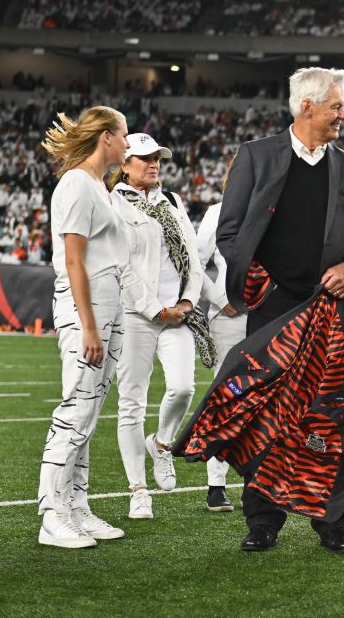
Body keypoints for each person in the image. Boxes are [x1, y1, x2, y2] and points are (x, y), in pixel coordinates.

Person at [216, 67, 344, 554]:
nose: (343, 115)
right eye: (336, 106)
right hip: (274, 312)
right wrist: (265, 288)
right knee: (268, 412)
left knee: (339, 415)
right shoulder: (255, 156)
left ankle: (334, 521)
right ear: (307, 107)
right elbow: (230, 233)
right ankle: (262, 520)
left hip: (333, 313)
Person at [35, 106, 132, 548]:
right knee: (76, 406)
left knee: (89, 410)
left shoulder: (101, 187)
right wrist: (89, 327)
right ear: (106, 137)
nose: (128, 145)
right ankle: (51, 514)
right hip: (86, 308)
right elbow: (73, 259)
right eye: (124, 136)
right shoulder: (76, 183)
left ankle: (77, 506)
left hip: (108, 307)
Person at [109, 133, 207, 520]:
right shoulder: (113, 202)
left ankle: (162, 444)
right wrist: (155, 308)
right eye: (145, 158)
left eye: (158, 159)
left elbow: (193, 257)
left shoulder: (172, 201)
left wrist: (187, 301)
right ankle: (137, 490)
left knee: (183, 387)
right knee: (131, 404)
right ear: (125, 164)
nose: (154, 164)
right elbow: (122, 265)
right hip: (135, 316)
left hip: (177, 314)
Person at [194, 158, 245, 513]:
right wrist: (221, 300)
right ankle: (216, 483)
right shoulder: (218, 211)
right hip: (231, 317)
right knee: (226, 396)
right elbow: (194, 263)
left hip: (269, 317)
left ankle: (264, 480)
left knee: (271, 397)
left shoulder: (276, 209)